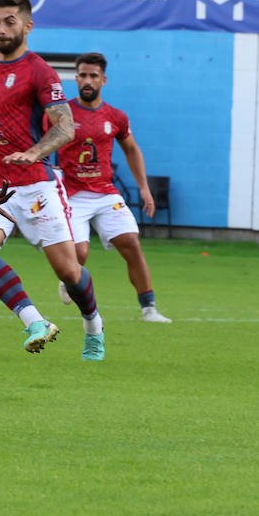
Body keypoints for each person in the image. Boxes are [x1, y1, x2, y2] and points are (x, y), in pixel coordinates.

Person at [0, 0, 106, 361]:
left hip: (35, 184)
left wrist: (32, 152)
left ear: (27, 26)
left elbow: (65, 126)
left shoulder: (39, 71)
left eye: (9, 22)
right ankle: (34, 321)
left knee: (68, 270)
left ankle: (93, 325)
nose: (1, 29)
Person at [56, 53, 171, 323]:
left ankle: (149, 309)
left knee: (131, 242)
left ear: (103, 80)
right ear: (76, 78)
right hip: (72, 194)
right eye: (82, 75)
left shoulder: (116, 116)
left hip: (105, 192)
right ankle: (69, 277)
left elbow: (131, 150)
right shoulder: (62, 114)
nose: (87, 80)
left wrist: (144, 188)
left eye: (93, 76)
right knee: (80, 252)